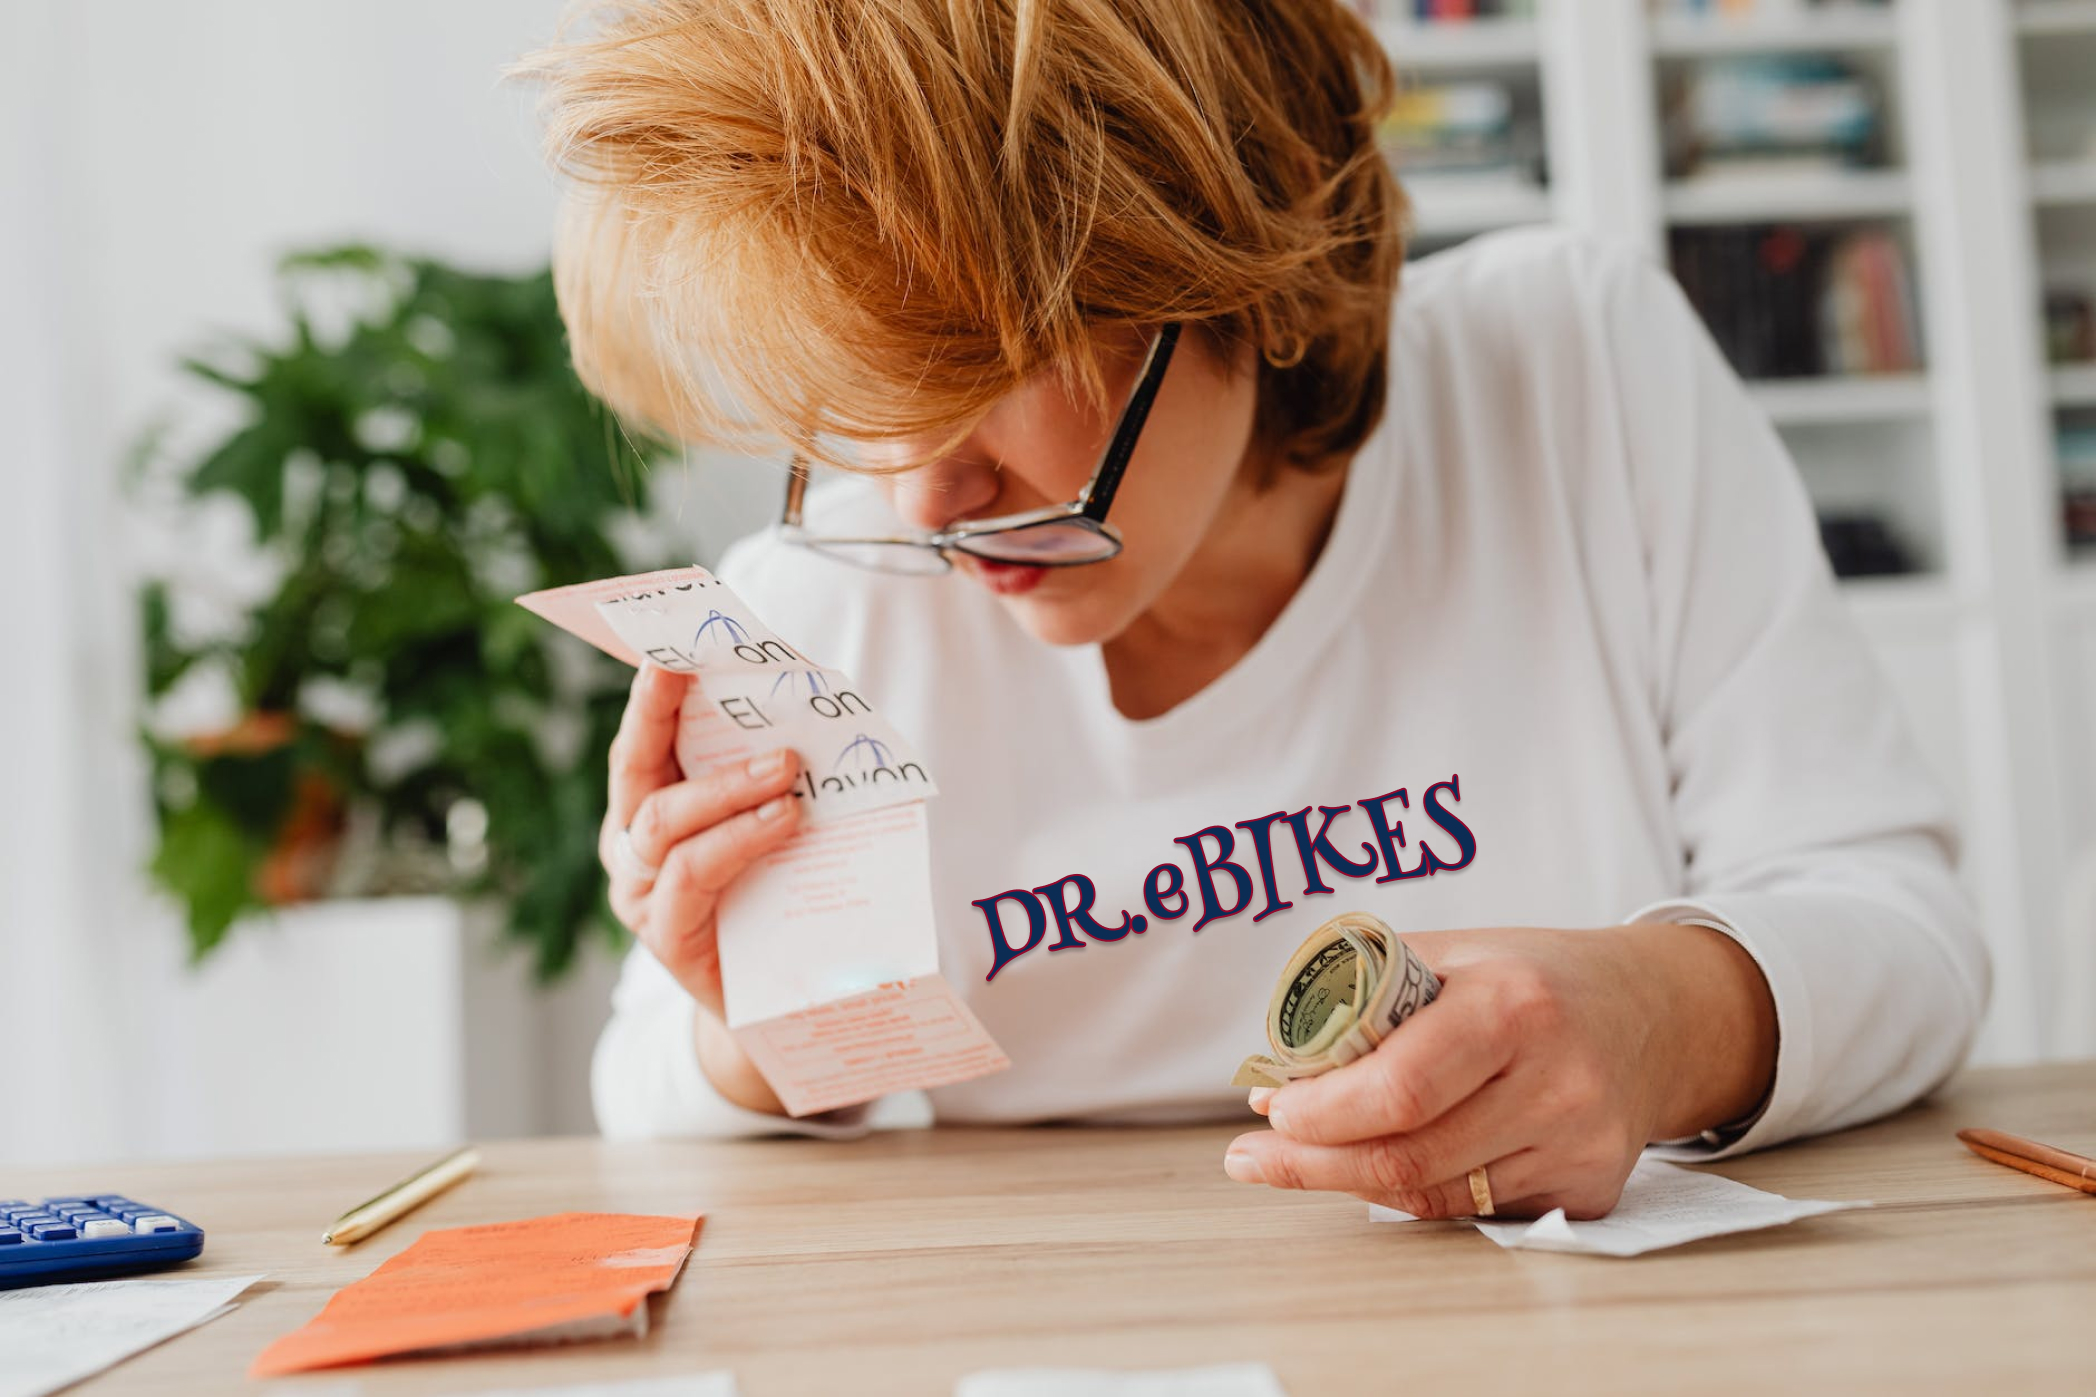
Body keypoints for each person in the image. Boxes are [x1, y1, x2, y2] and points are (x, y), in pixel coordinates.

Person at [524, 0, 1989, 1221]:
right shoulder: (825, 606)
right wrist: (772, 1018)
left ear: (1257, 251)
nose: (923, 498)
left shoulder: (1573, 380)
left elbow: (1903, 934)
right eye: (864, 395)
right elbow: (646, 1104)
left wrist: (1656, 1020)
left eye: (977, 372)